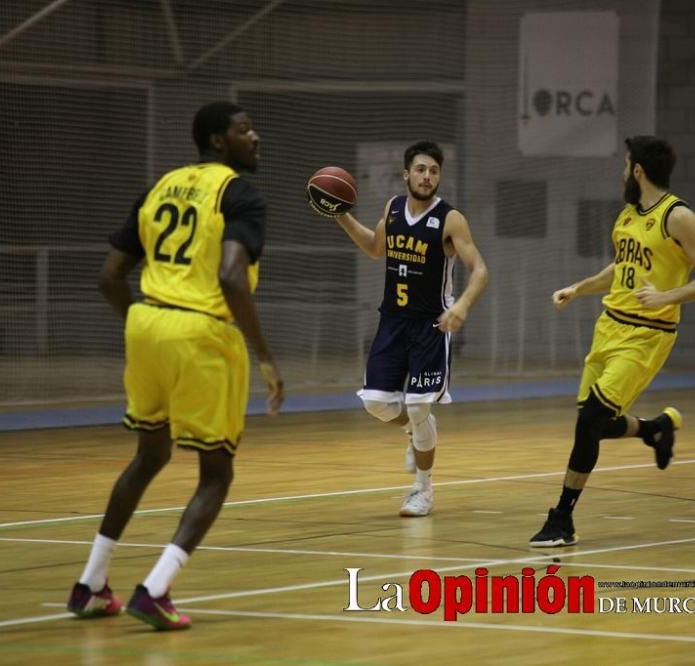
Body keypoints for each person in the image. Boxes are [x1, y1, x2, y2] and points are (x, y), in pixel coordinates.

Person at [66, 101, 284, 629]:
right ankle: (156, 589)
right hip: (201, 332)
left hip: (147, 325)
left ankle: (91, 584)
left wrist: (146, 327)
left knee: (150, 454)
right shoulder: (240, 194)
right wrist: (265, 356)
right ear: (217, 142)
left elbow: (109, 277)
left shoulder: (159, 187)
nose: (255, 137)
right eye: (243, 129)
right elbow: (232, 276)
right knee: (216, 472)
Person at [529, 136, 695, 547]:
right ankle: (655, 428)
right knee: (596, 425)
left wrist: (668, 297)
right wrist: (578, 287)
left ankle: (561, 518)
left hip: (647, 335)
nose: (622, 172)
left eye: (625, 165)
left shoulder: (680, 217)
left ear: (637, 170)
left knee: (588, 424)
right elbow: (620, 269)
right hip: (609, 326)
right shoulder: (628, 215)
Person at [328, 141, 488, 517]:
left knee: (417, 406)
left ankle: (423, 490)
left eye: (433, 170)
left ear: (439, 176)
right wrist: (341, 215)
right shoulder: (393, 209)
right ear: (406, 174)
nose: (427, 176)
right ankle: (415, 430)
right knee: (376, 404)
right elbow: (374, 247)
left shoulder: (451, 219)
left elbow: (479, 270)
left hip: (431, 324)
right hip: (392, 321)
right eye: (420, 169)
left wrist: (461, 306)